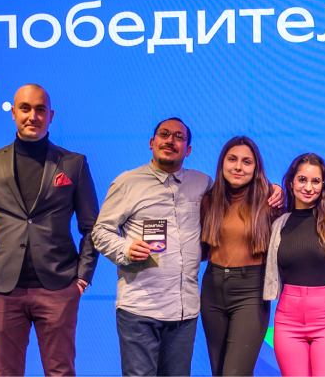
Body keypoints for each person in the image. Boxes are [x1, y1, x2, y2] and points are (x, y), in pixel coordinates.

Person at [91, 119, 283, 377]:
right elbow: (100, 231)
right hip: (140, 305)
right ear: (152, 142)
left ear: (188, 149)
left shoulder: (202, 185)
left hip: (184, 308)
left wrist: (273, 188)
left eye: (178, 136)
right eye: (164, 134)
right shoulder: (128, 183)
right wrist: (124, 249)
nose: (170, 140)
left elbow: (240, 203)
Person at [0, 84, 99, 377]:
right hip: (1, 288)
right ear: (12, 113)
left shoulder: (73, 163)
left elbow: (92, 228)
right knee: (4, 373)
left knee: (61, 372)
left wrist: (81, 280)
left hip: (59, 285)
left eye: (40, 109)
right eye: (25, 108)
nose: (32, 116)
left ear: (51, 116)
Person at [263, 153, 325, 377]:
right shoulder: (279, 225)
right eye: (302, 179)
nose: (308, 187)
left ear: (324, 185)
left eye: (315, 181)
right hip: (287, 320)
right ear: (291, 182)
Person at [199, 136, 282, 377]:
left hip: (251, 291)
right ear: (222, 163)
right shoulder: (209, 200)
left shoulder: (271, 200)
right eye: (232, 159)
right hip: (212, 290)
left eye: (247, 162)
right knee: (219, 372)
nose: (238, 167)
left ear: (256, 167)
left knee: (235, 373)